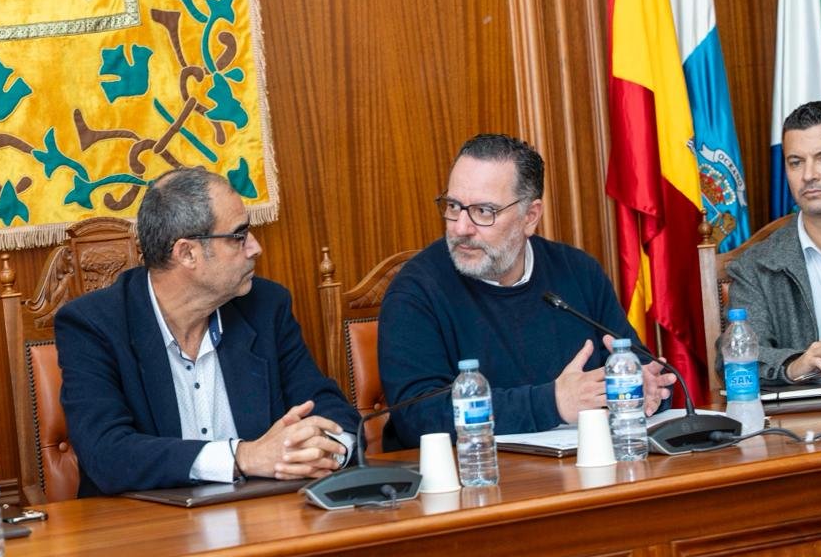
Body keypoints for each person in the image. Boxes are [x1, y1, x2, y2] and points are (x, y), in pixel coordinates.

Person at [55, 167, 360, 496]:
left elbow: (330, 410)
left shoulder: (266, 306)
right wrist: (242, 457)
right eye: (239, 236)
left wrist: (321, 449)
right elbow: (107, 454)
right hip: (146, 530)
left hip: (262, 519)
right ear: (187, 253)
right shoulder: (93, 325)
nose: (255, 248)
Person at [377, 134, 673, 448]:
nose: (461, 227)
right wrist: (553, 402)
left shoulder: (578, 272)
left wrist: (647, 390)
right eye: (453, 206)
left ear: (530, 217)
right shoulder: (415, 292)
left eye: (483, 211)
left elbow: (639, 371)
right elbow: (418, 418)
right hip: (475, 481)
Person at [725, 100, 821, 383]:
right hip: (807, 420)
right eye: (796, 162)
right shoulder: (755, 266)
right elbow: (735, 358)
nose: (808, 175)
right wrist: (794, 365)